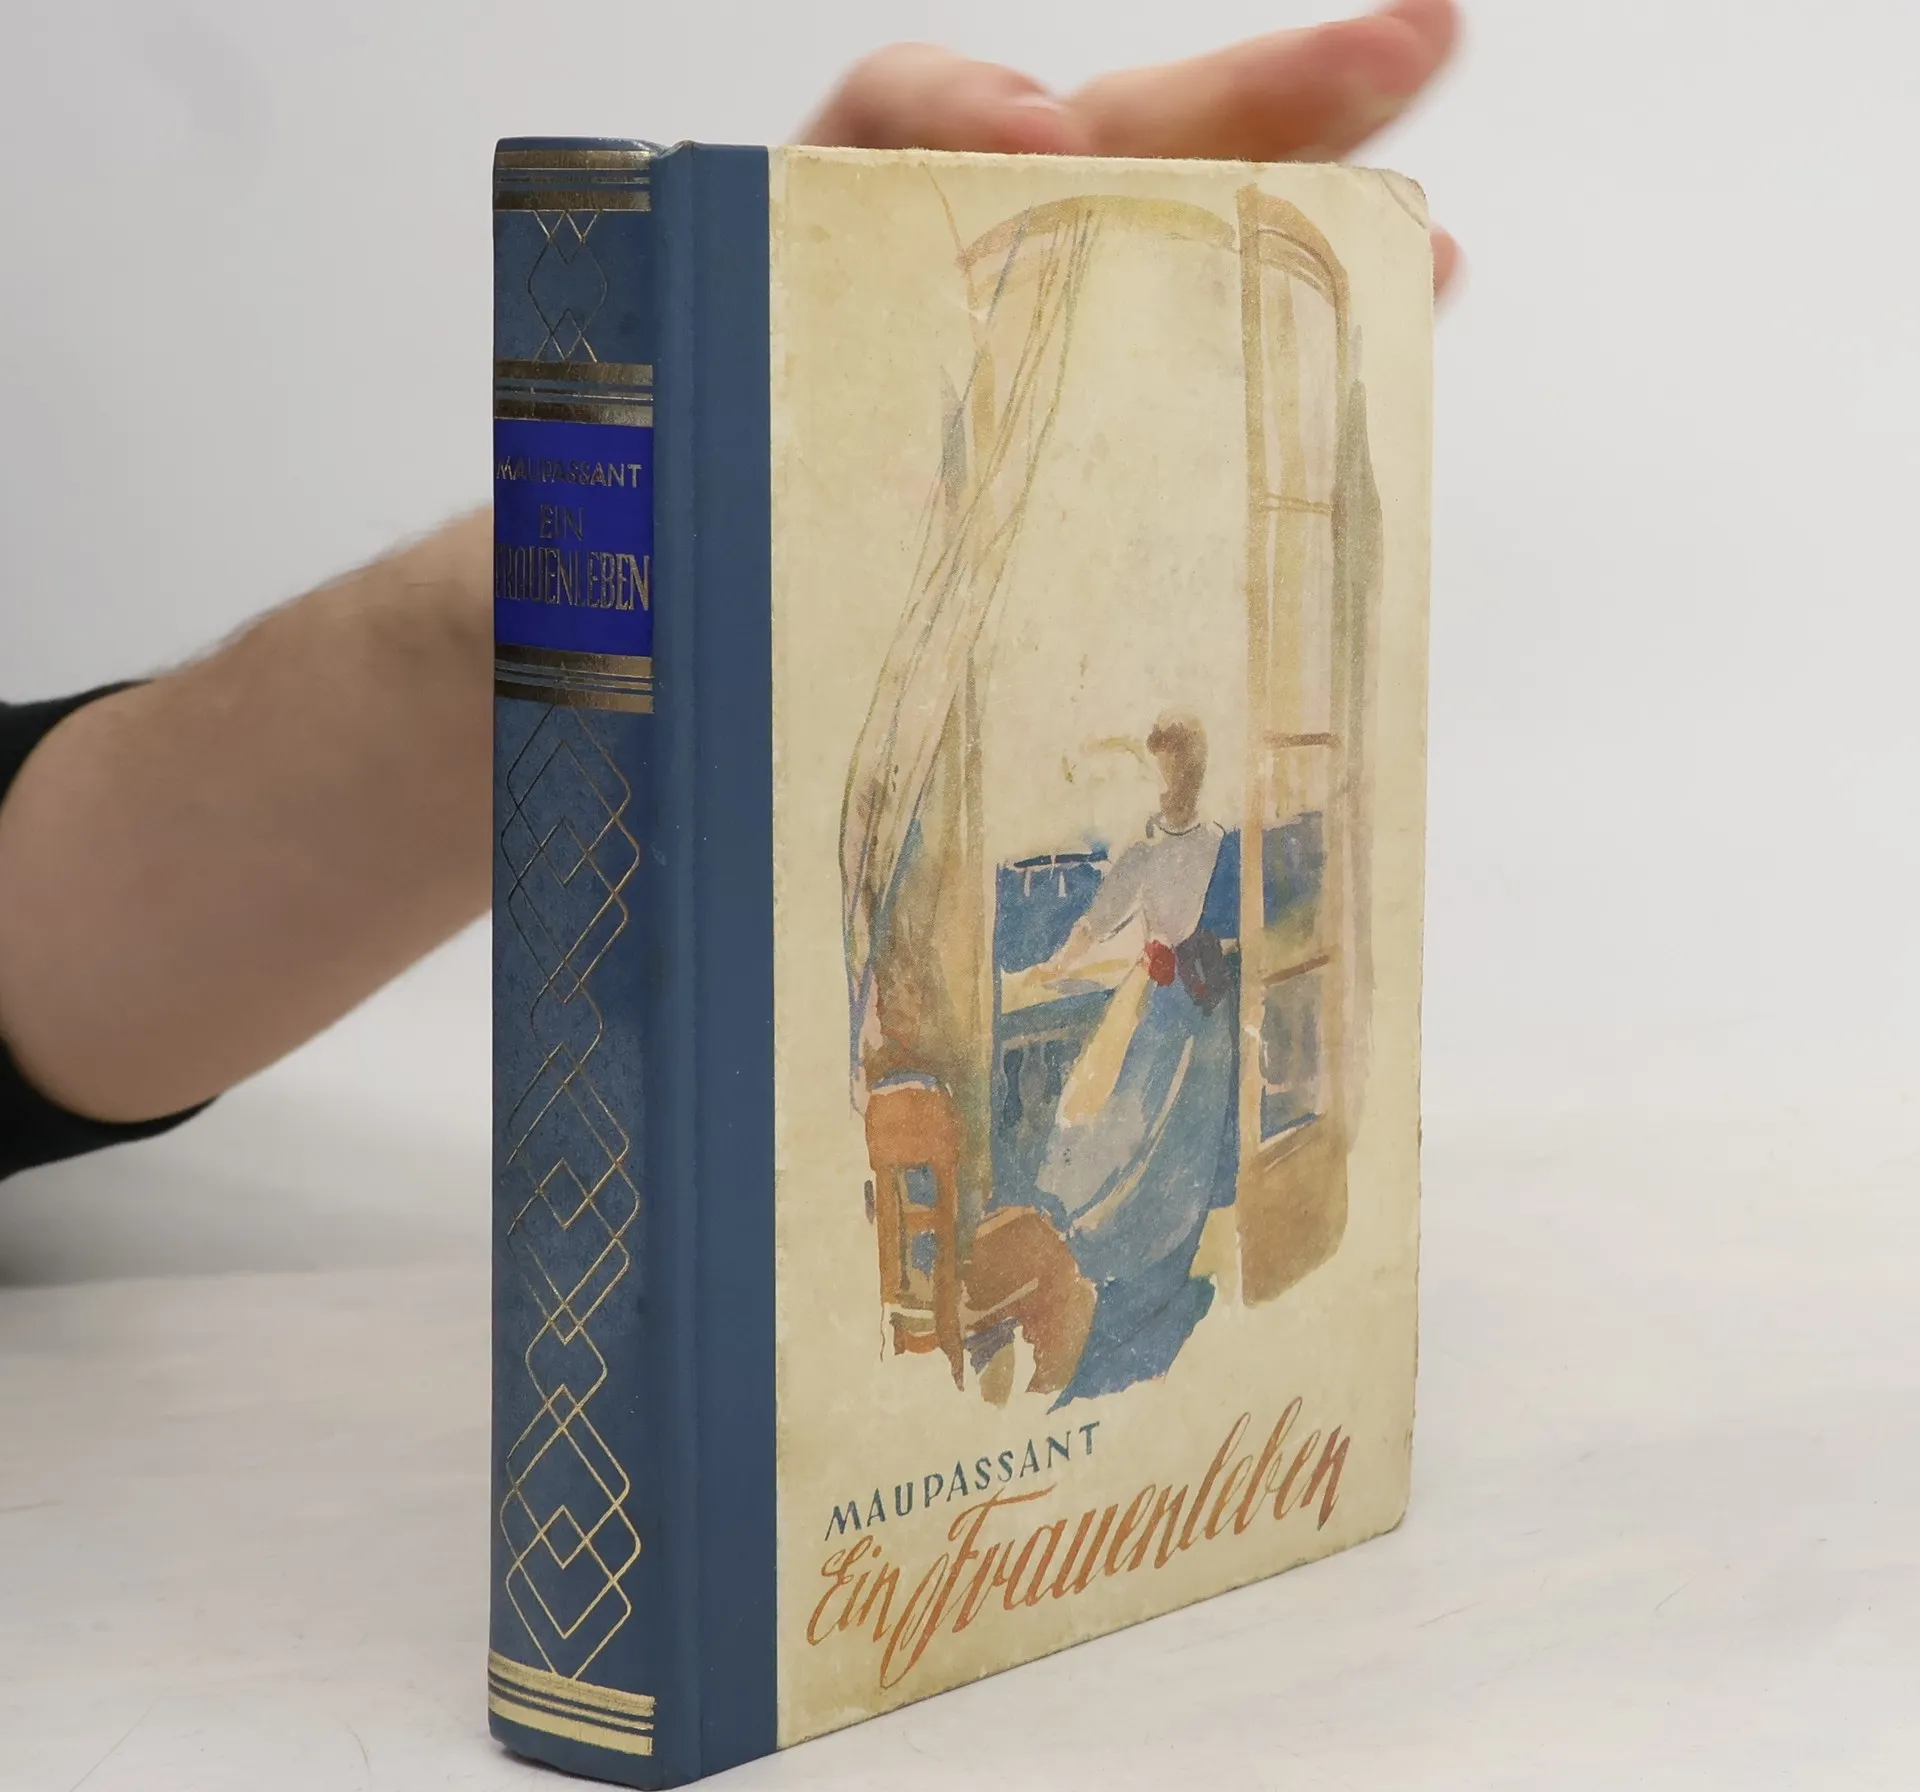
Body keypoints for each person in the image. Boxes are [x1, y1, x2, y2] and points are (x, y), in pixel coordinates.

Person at [0, 2, 1460, 1183]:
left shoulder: (1196, 851)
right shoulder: (1153, 850)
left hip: (1174, 1006)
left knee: (1104, 1114)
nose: (1158, 776)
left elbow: (41, 938)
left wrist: (568, 589)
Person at [1029, 717, 1238, 1401]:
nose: (1174, 784)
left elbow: (1235, 925)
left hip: (1202, 1004)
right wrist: (1056, 967)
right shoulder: (1143, 851)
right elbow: (1100, 917)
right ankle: (1112, 1240)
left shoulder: (1219, 843)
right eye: (1165, 771)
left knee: (1186, 1132)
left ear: (1196, 774)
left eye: (1184, 770)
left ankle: (1172, 1253)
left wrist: (1207, 952)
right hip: (1153, 1001)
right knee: (1114, 1110)